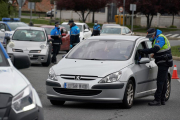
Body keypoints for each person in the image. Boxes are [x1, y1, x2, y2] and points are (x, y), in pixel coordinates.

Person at [138, 28, 173, 106]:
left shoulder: (160, 37)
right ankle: (162, 100)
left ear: (154, 34)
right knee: (163, 81)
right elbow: (160, 51)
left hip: (164, 62)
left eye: (151, 36)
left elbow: (156, 48)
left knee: (160, 81)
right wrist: (156, 55)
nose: (150, 37)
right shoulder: (158, 37)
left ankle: (157, 100)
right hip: (164, 61)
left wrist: (143, 51)